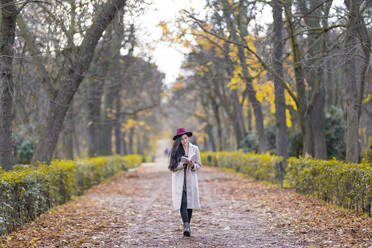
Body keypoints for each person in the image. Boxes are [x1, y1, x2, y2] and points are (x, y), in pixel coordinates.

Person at [168, 128, 201, 237]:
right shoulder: (175, 150)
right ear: (178, 140)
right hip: (179, 181)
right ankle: (187, 226)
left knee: (190, 203)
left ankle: (187, 226)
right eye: (182, 139)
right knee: (183, 202)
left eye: (185, 138)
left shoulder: (195, 149)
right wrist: (183, 164)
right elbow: (172, 167)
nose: (184, 141)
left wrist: (192, 165)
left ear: (188, 138)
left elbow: (199, 165)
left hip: (190, 179)